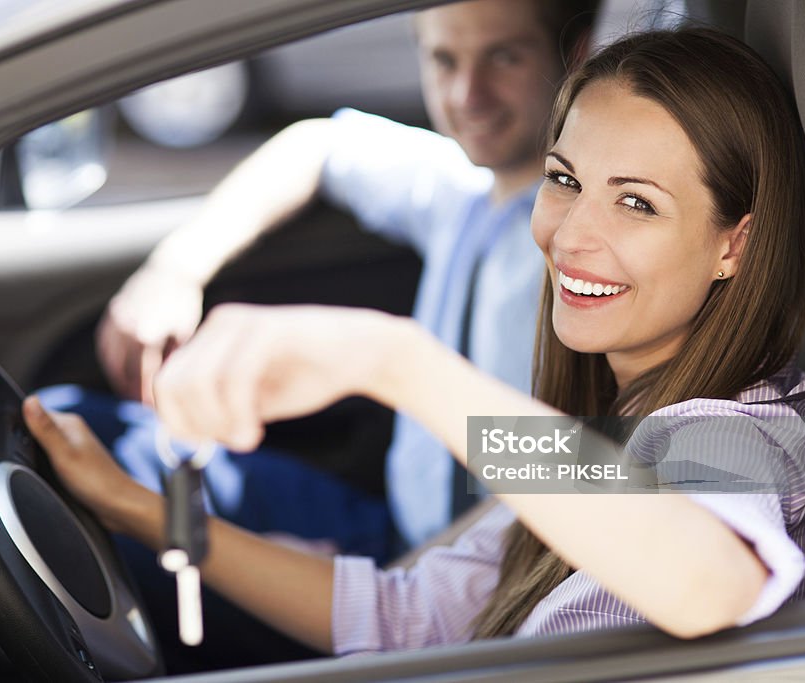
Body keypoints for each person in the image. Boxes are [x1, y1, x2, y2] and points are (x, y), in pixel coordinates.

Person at [25, 27, 805, 655]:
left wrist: (397, 362)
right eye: (565, 181)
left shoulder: (749, 432)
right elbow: (402, 614)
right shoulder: (601, 441)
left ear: (734, 243)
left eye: (636, 204)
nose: (570, 237)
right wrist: (140, 511)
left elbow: (712, 584)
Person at [45, 0, 598, 564]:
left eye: (504, 57)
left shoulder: (591, 247)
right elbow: (320, 145)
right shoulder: (457, 189)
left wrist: (410, 582)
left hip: (476, 573)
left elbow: (605, 472)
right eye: (444, 60)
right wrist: (174, 269)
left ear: (574, 55)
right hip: (391, 530)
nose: (466, 95)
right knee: (73, 429)